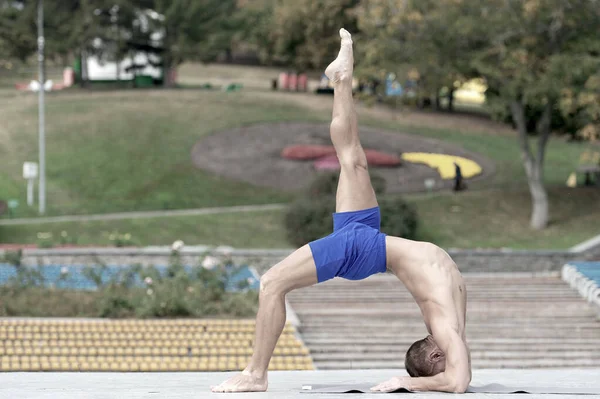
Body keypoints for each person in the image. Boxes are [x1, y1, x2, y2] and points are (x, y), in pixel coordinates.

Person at [211, 29, 471, 394]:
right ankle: (341, 79)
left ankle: (256, 373)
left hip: (363, 249)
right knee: (352, 158)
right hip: (370, 242)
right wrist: (421, 381)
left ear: (433, 358)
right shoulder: (447, 327)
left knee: (272, 283)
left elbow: (458, 382)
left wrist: (406, 383)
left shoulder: (445, 328)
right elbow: (458, 377)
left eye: (442, 362)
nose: (452, 360)